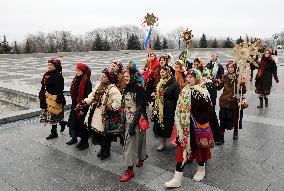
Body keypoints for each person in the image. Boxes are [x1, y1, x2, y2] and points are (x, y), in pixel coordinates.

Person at [165, 69, 214, 188]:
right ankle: (177, 178)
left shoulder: (202, 92)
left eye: (191, 77)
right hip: (183, 127)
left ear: (197, 78)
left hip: (196, 127)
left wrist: (197, 120)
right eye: (187, 77)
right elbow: (180, 106)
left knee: (199, 150)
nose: (188, 79)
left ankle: (201, 169)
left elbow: (209, 111)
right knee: (181, 151)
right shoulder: (185, 90)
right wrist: (181, 117)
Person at [79, 68, 122, 160]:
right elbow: (92, 95)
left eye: (104, 76)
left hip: (105, 114)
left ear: (109, 78)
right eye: (101, 76)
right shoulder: (99, 85)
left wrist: (110, 107)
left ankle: (107, 150)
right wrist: (85, 102)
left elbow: (118, 101)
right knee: (98, 133)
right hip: (95, 113)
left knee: (105, 133)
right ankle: (102, 148)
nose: (101, 77)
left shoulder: (112, 88)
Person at [119, 66, 148, 182]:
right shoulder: (126, 88)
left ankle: (129, 170)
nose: (125, 78)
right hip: (128, 118)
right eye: (124, 76)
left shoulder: (139, 89)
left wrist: (133, 124)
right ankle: (141, 158)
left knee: (130, 145)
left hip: (136, 120)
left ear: (133, 77)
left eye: (127, 76)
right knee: (139, 140)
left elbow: (140, 107)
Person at [193, 58, 222, 145]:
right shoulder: (195, 79)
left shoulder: (207, 82)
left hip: (207, 104)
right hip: (199, 106)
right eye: (194, 65)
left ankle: (215, 136)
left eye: (196, 65)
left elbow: (211, 95)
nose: (195, 66)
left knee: (211, 117)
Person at [153, 66, 180, 151]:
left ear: (168, 73)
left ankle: (175, 141)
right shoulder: (159, 82)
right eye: (161, 72)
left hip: (169, 108)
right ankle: (163, 143)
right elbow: (157, 94)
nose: (162, 73)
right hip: (160, 108)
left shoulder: (174, 84)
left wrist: (176, 110)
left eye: (163, 72)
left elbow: (177, 98)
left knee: (170, 125)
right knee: (160, 126)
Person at [217, 61, 246, 141]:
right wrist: (215, 82)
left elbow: (243, 91)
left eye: (232, 67)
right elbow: (219, 87)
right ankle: (221, 136)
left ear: (235, 68)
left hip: (234, 102)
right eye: (229, 67)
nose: (230, 69)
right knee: (222, 120)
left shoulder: (239, 77)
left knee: (235, 119)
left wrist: (242, 85)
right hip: (225, 101)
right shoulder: (225, 77)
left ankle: (235, 132)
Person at [66, 63, 92, 150]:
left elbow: (88, 97)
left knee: (82, 125)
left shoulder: (87, 81)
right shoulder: (76, 79)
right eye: (76, 70)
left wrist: (83, 109)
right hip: (75, 105)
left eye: (78, 70)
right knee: (73, 122)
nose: (76, 72)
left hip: (82, 106)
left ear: (83, 71)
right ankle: (74, 138)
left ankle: (84, 142)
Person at [39, 58, 65, 140]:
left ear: (56, 66)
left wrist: (58, 98)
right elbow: (43, 85)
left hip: (54, 99)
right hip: (46, 97)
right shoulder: (46, 74)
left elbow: (60, 89)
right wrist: (41, 95)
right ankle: (61, 123)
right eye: (48, 64)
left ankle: (54, 132)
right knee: (52, 116)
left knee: (53, 115)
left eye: (51, 65)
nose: (49, 66)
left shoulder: (58, 76)